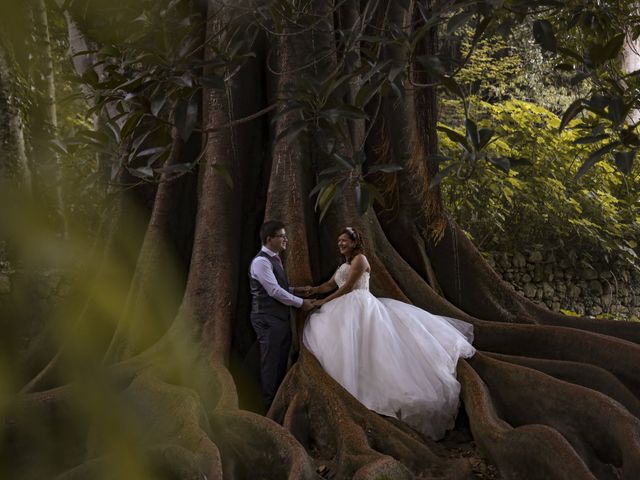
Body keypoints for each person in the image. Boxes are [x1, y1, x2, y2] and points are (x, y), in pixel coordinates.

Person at [302, 226, 476, 440]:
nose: (341, 244)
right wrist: (312, 290)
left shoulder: (360, 260)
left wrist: (320, 303)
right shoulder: (344, 264)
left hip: (360, 305)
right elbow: (331, 284)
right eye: (339, 241)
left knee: (371, 347)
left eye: (344, 240)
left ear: (355, 242)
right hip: (345, 307)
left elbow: (347, 287)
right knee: (345, 345)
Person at [249, 220, 313, 409]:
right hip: (267, 318)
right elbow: (274, 291)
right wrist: (302, 303)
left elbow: (279, 287)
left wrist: (297, 290)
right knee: (271, 362)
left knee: (280, 360)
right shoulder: (261, 261)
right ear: (269, 239)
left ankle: (278, 401)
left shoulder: (275, 259)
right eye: (282, 236)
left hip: (279, 318)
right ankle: (269, 405)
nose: (286, 239)